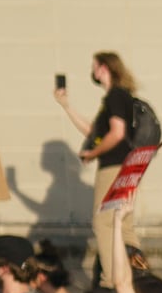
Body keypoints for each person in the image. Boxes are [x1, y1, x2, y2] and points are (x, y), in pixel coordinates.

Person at [59, 52, 148, 257]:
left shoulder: (114, 96)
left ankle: (111, 280)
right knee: (124, 225)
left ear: (104, 68)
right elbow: (95, 133)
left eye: (94, 66)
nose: (92, 70)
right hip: (127, 166)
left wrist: (92, 154)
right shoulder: (121, 96)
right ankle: (138, 277)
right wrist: (66, 106)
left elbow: (117, 133)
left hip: (112, 167)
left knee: (103, 223)